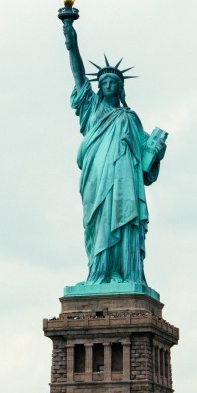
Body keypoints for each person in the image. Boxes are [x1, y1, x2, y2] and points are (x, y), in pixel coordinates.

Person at [61, 18, 166, 285]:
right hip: (97, 177)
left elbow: (146, 163)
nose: (109, 85)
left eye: (114, 82)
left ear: (121, 87)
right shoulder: (91, 108)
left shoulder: (130, 118)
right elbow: (78, 73)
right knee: (98, 223)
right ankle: (100, 272)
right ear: (99, 86)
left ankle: (125, 272)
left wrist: (156, 149)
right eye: (104, 81)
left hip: (125, 182)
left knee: (124, 219)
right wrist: (70, 39)